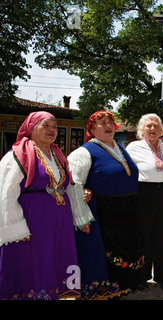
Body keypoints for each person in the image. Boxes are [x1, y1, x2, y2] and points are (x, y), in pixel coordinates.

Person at [0, 111, 85, 300]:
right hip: (32, 223)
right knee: (35, 264)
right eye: (45, 125)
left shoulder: (59, 156)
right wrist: (16, 228)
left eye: (54, 127)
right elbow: (5, 193)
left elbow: (69, 187)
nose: (52, 130)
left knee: (55, 261)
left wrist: (79, 217)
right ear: (31, 128)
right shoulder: (16, 155)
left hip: (59, 223)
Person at [68, 110, 146, 299]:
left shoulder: (121, 149)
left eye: (111, 122)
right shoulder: (84, 152)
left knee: (125, 255)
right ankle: (104, 291)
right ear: (92, 129)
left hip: (126, 213)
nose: (108, 126)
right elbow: (75, 184)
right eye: (102, 123)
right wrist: (81, 218)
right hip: (103, 214)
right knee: (102, 257)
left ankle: (123, 286)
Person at [126, 114, 163, 291]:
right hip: (144, 194)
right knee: (144, 236)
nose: (152, 128)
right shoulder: (134, 147)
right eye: (148, 126)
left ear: (162, 130)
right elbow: (123, 168)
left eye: (156, 125)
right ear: (142, 130)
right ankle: (141, 277)